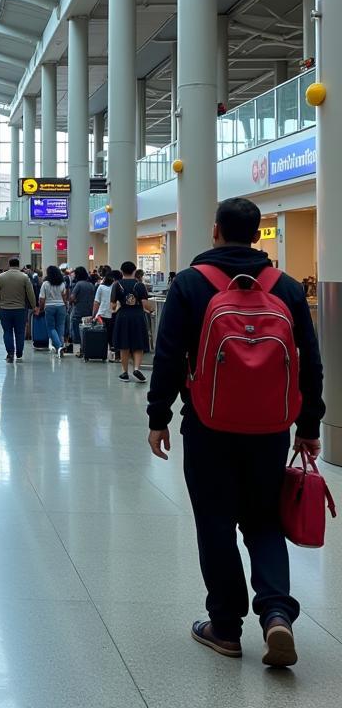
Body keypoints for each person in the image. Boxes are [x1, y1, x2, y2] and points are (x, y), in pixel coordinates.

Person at [147, 197, 325, 668]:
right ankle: (277, 614)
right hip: (271, 428)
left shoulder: (189, 284)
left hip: (208, 426)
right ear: (256, 234)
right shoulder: (283, 287)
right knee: (264, 519)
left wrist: (157, 417)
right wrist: (309, 426)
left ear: (215, 231)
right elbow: (311, 360)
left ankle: (225, 627)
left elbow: (167, 358)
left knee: (215, 523)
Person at [0, 258, 37, 363]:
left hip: (4, 309)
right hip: (20, 309)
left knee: (7, 332)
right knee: (20, 332)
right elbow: (31, 294)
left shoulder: (1, 277)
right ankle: (19, 353)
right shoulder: (24, 277)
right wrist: (34, 306)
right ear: (18, 265)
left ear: (9, 265)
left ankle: (10, 353)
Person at [112, 260, 152, 382]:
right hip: (137, 316)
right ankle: (136, 368)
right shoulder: (140, 285)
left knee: (124, 345)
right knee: (138, 343)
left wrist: (119, 304)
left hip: (123, 316)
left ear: (121, 271)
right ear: (134, 271)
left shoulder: (117, 285)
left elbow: (112, 306)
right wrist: (151, 309)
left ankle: (125, 373)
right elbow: (146, 305)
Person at [38, 265, 69, 356]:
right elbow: (64, 297)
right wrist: (65, 306)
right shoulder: (62, 284)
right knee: (60, 327)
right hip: (61, 306)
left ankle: (59, 346)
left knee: (51, 328)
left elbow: (42, 298)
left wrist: (41, 308)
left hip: (49, 306)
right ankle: (61, 346)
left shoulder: (45, 284)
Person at [68, 266, 96, 355]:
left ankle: (78, 351)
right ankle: (85, 349)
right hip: (88, 312)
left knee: (76, 332)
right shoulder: (91, 285)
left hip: (78, 312)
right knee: (85, 331)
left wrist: (74, 301)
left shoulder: (79, 284)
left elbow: (72, 297)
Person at [92, 270, 117, 362]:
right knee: (111, 335)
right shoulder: (116, 287)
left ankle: (101, 353)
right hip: (113, 313)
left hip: (102, 314)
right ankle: (113, 354)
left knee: (102, 335)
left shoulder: (101, 287)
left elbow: (96, 302)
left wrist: (93, 315)